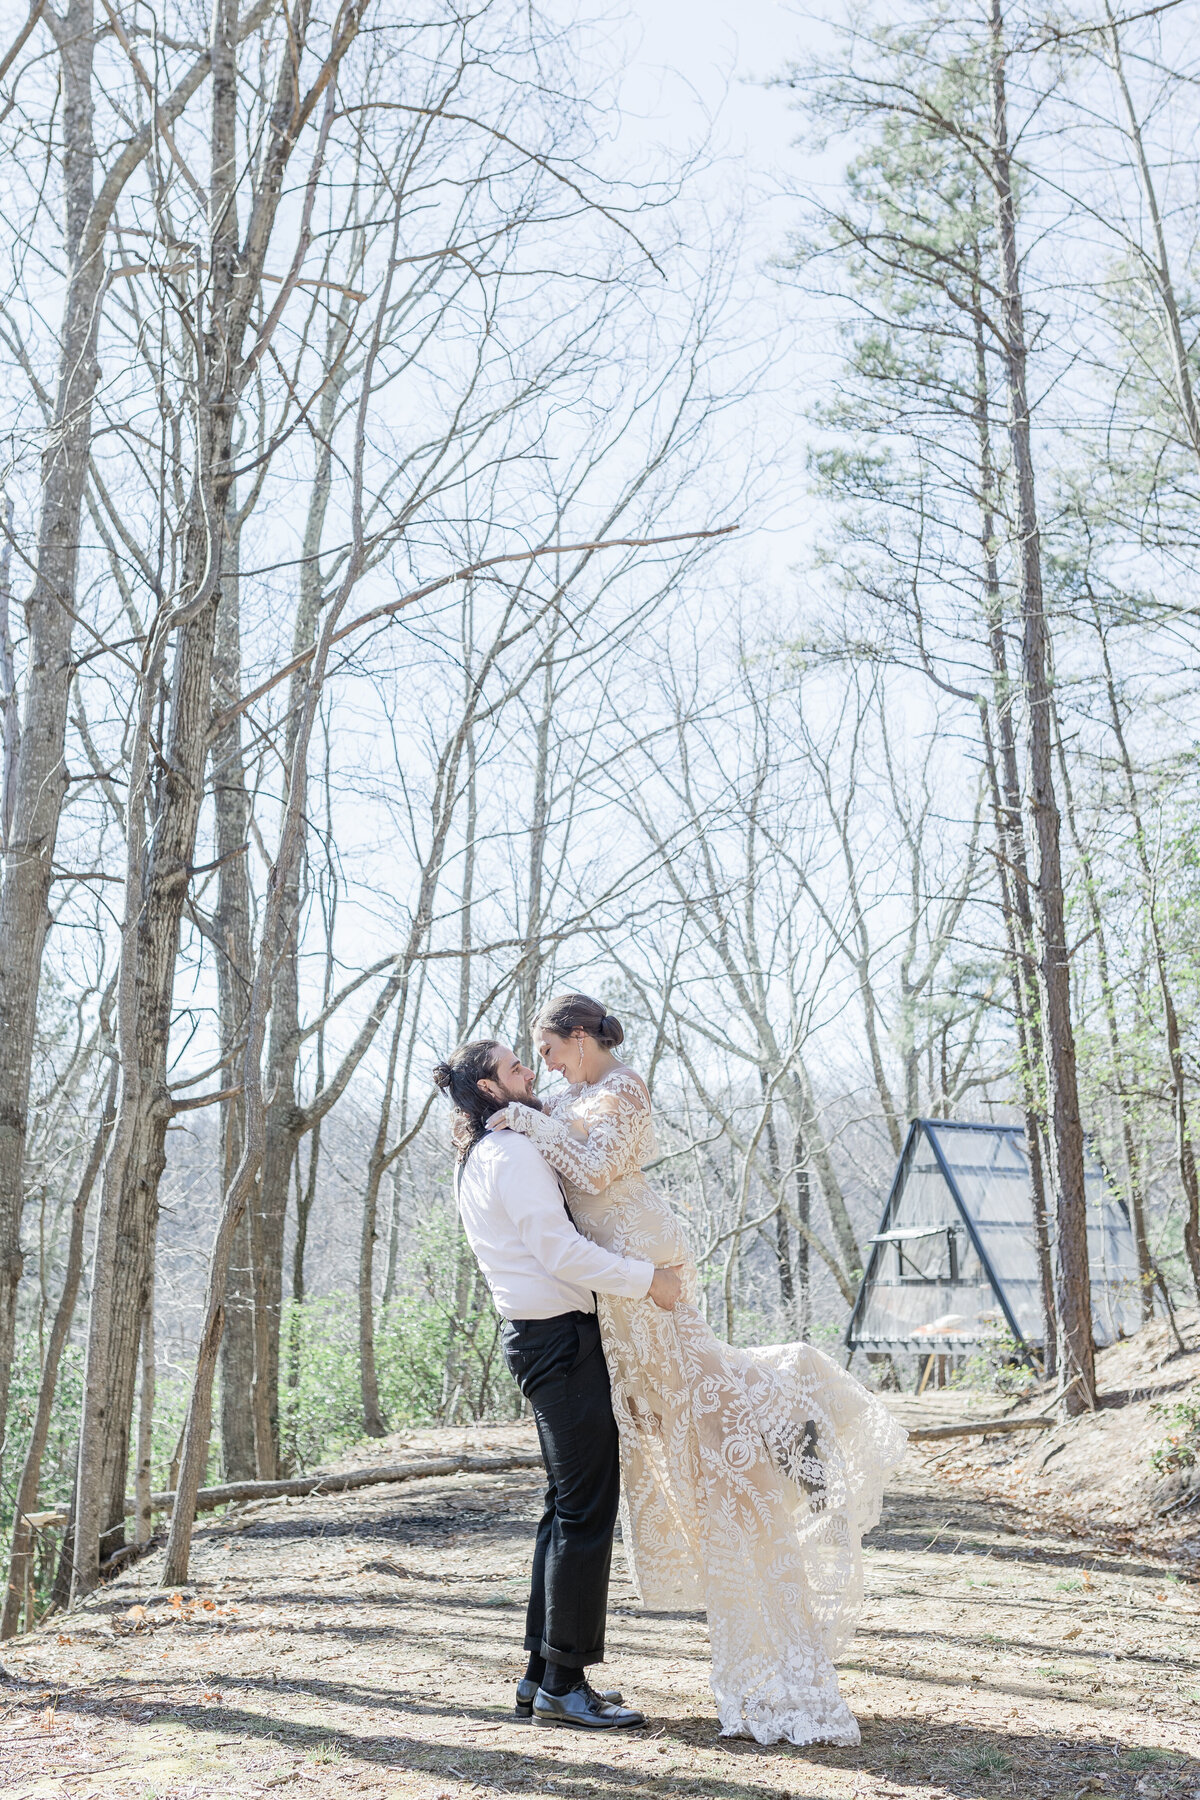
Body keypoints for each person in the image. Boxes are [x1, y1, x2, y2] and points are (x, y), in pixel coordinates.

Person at [483, 992, 908, 1747]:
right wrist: (525, 1113)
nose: (540, 1065)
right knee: (686, 1420)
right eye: (531, 1062)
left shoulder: (623, 1089)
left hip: (643, 1269)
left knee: (705, 1415)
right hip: (618, 1290)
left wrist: (525, 1117)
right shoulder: (572, 1094)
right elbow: (549, 1139)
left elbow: (595, 1161)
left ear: (579, 1039)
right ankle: (784, 1420)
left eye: (546, 1049)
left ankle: (792, 1418)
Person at [432, 1040, 684, 1732]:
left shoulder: (490, 1152)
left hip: (544, 1340)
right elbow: (560, 1251)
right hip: (558, 1344)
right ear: (489, 1089)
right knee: (583, 1511)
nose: (531, 1075)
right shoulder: (510, 1156)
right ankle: (566, 1685)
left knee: (564, 1505)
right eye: (517, 1068)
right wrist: (649, 1282)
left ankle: (541, 1675)